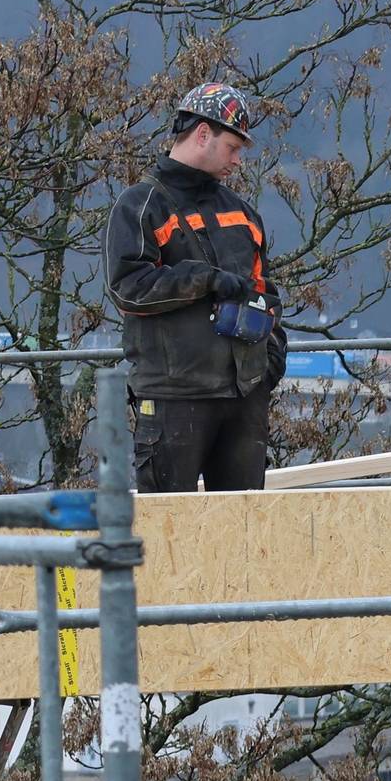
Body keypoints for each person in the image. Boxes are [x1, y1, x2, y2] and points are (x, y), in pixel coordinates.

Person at [105, 81, 289, 492]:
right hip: (173, 397)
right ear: (203, 134)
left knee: (242, 533)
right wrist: (203, 279)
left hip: (244, 398)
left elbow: (266, 292)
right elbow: (128, 288)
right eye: (233, 147)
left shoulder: (243, 214)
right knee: (169, 533)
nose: (238, 161)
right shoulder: (140, 206)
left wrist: (270, 362)